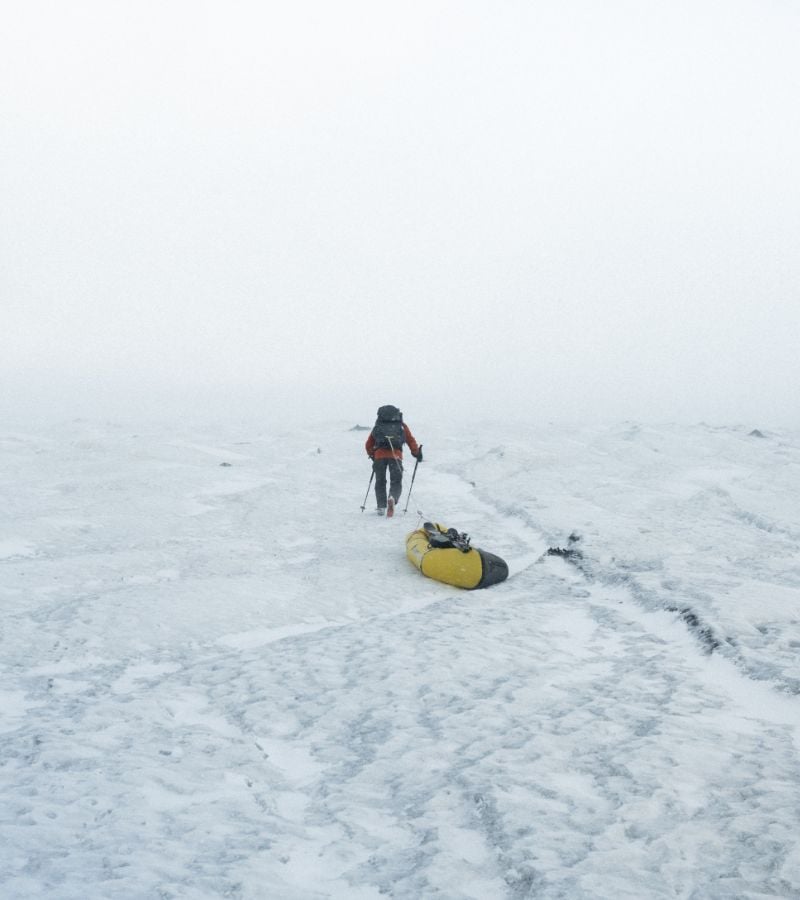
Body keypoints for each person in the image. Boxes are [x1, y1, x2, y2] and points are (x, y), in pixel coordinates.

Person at [365, 405, 422, 515]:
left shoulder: (378, 426)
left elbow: (368, 444)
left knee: (380, 482)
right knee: (396, 481)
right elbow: (410, 440)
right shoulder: (401, 426)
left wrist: (372, 455)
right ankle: (392, 498)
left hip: (379, 457)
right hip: (395, 456)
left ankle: (381, 507)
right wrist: (416, 453)